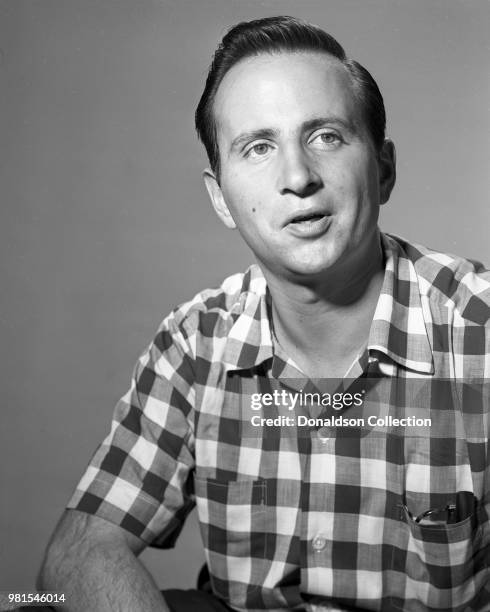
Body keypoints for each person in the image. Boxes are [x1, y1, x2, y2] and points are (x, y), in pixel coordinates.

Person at [36, 15, 489, 612]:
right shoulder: (195, 344)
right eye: (258, 147)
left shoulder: (480, 332)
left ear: (383, 170)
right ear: (221, 198)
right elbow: (79, 553)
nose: (297, 177)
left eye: (325, 136)